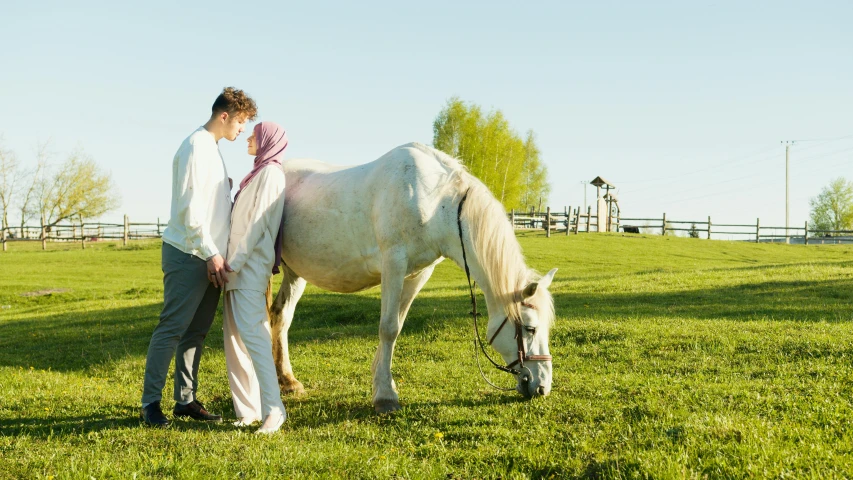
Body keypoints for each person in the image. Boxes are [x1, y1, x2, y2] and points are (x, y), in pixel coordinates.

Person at [140, 87, 258, 428]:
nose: (242, 129)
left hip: (212, 257)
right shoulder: (195, 147)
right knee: (173, 328)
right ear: (225, 116)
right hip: (189, 254)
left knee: (196, 333)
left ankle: (185, 401)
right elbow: (190, 210)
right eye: (241, 122)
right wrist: (210, 254)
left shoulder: (213, 149)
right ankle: (150, 405)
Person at [223, 121, 288, 434]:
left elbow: (257, 224)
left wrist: (233, 263)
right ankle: (248, 411)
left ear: (267, 141)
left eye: (255, 135)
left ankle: (275, 410)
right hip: (234, 268)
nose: (248, 137)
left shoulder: (272, 174)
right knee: (235, 341)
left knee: (256, 339)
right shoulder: (255, 175)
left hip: (248, 267)